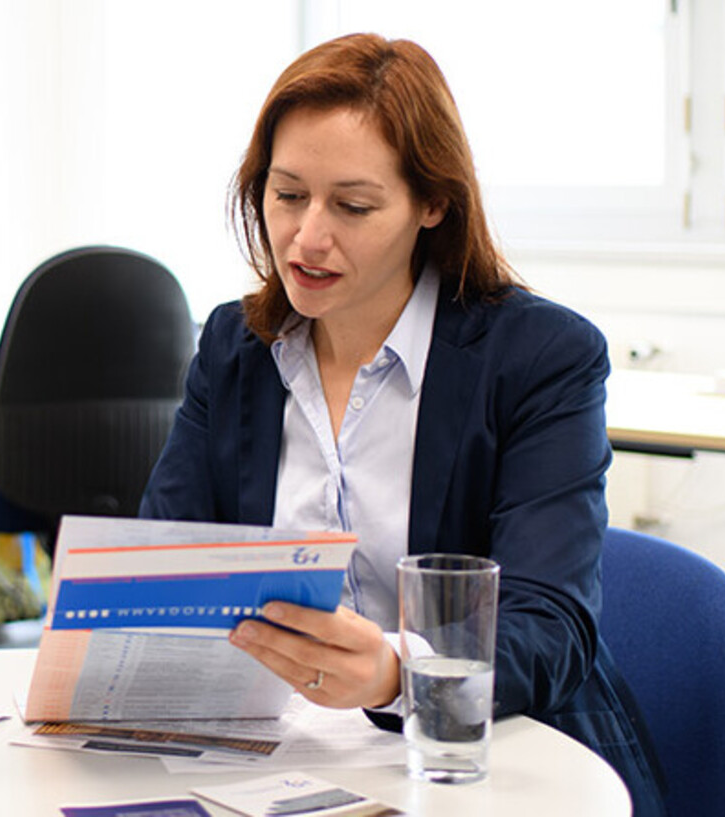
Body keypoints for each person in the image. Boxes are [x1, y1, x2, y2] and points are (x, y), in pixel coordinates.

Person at [137, 33, 664, 814]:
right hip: (286, 760)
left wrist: (396, 671)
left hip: (484, 758)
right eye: (286, 196)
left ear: (433, 203)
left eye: (352, 206)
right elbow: (163, 564)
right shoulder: (235, 346)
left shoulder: (539, 357)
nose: (308, 238)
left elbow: (549, 627)